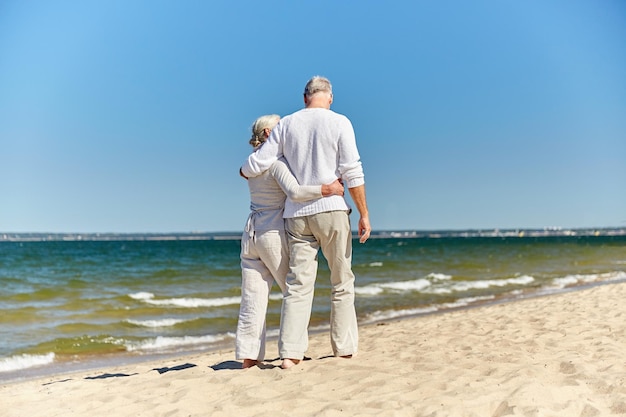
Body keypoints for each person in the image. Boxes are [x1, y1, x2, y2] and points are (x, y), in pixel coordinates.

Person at [240, 76, 371, 369]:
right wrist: (363, 213)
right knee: (341, 280)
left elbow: (260, 161)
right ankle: (344, 348)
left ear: (304, 97)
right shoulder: (340, 122)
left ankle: (290, 355)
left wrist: (243, 169)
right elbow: (352, 171)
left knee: (298, 286)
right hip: (332, 209)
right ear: (330, 97)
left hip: (296, 215)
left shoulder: (286, 124)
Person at [236, 114, 344, 368]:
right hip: (272, 232)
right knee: (295, 291)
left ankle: (249, 358)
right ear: (266, 134)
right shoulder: (275, 162)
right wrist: (327, 189)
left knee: (253, 297)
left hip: (251, 232)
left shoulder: (252, 163)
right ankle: (291, 353)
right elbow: (295, 192)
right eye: (279, 129)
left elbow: (243, 172)